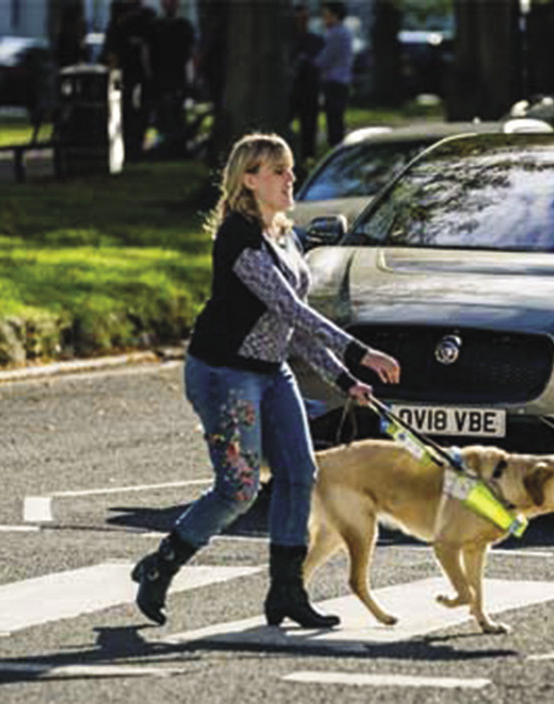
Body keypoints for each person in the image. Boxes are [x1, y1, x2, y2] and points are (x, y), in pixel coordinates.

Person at [131, 133, 401, 628]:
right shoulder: (237, 235)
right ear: (248, 180)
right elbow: (289, 308)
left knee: (301, 474)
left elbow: (290, 329)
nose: (289, 179)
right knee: (239, 489)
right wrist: (361, 354)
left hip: (272, 372)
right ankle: (161, 565)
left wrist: (345, 381)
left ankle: (286, 594)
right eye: (277, 171)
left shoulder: (285, 233)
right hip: (224, 373)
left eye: (291, 169)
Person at [104, 0, 155, 161]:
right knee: (128, 112)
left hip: (134, 75)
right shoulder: (123, 24)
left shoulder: (140, 22)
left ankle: (133, 146)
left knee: (135, 112)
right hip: (128, 74)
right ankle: (130, 147)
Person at [149, 0, 197, 154]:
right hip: (161, 77)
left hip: (177, 77)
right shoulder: (157, 27)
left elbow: (190, 54)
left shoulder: (183, 27)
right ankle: (169, 145)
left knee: (176, 112)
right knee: (165, 113)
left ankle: (176, 146)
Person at [314, 2, 354, 148]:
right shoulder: (343, 32)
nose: (324, 19)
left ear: (335, 16)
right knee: (336, 118)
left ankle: (336, 147)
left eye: (327, 15)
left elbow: (325, 59)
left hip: (335, 81)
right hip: (341, 80)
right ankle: (336, 145)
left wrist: (310, 62)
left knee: (334, 119)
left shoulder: (337, 33)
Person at [290, 3, 324, 166]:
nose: (301, 22)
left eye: (304, 18)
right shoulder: (288, 41)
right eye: (298, 18)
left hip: (309, 89)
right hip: (292, 90)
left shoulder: (315, 40)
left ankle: (307, 157)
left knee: (309, 125)